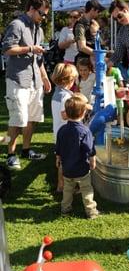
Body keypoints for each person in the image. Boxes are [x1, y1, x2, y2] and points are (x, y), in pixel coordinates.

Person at [2, 0, 51, 170]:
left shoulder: (39, 28)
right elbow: (7, 49)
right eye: (42, 14)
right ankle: (10, 154)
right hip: (18, 80)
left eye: (45, 15)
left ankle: (26, 150)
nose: (44, 18)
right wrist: (30, 48)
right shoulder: (17, 25)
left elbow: (38, 58)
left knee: (33, 118)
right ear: (31, 8)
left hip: (35, 80)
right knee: (17, 119)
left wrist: (44, 77)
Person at [55, 93, 99, 219]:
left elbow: (58, 148)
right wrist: (93, 161)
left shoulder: (62, 130)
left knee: (67, 190)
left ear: (67, 113)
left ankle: (65, 209)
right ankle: (91, 211)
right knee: (86, 189)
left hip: (67, 169)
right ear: (83, 113)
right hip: (81, 168)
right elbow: (90, 149)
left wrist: (58, 159)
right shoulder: (85, 131)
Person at [51, 63, 79, 192]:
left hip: (58, 132)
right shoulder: (65, 96)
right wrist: (79, 112)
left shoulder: (58, 92)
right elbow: (64, 115)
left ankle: (60, 185)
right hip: (66, 134)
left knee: (61, 159)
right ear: (70, 80)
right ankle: (63, 186)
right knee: (65, 161)